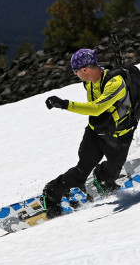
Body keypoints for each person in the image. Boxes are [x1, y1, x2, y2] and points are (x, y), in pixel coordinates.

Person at [42, 48, 134, 218]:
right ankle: (51, 193)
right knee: (81, 171)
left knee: (112, 172)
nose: (75, 75)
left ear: (84, 70)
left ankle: (103, 178)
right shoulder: (89, 81)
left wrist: (64, 104)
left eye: (75, 71)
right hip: (95, 133)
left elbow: (97, 108)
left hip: (119, 135)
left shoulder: (115, 83)